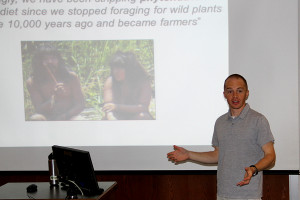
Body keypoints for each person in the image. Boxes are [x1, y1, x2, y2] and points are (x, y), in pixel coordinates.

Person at [167, 74, 275, 200]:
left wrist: (253, 169)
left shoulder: (258, 120)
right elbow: (218, 155)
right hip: (223, 194)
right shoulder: (220, 122)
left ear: (247, 93)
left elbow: (270, 156)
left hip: (249, 195)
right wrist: (189, 154)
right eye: (230, 91)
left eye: (239, 91)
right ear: (224, 94)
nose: (235, 96)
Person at [26, 45, 85, 121]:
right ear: (39, 62)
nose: (50, 62)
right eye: (45, 59)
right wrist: (54, 98)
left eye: (53, 58)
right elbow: (39, 109)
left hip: (69, 116)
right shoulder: (33, 82)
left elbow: (80, 104)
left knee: (79, 120)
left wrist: (64, 116)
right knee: (35, 118)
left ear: (59, 60)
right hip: (47, 118)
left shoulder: (71, 77)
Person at [102, 51, 154, 120]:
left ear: (129, 69)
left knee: (144, 116)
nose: (115, 71)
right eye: (114, 68)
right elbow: (108, 108)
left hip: (136, 116)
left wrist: (117, 107)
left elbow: (143, 108)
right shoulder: (110, 81)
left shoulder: (143, 82)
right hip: (117, 117)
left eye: (119, 68)